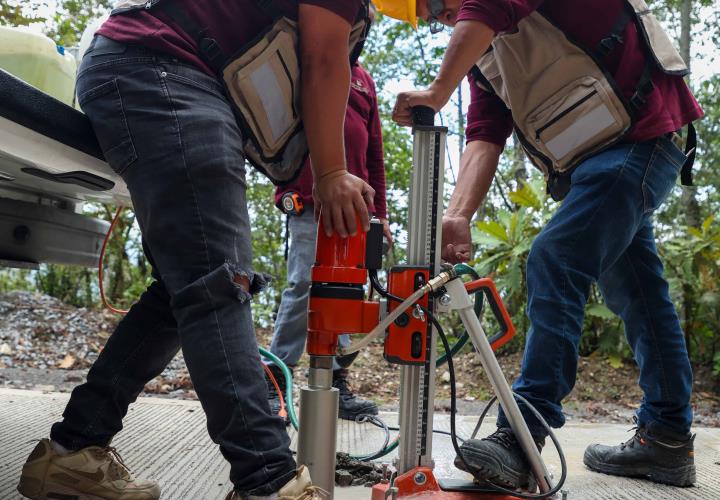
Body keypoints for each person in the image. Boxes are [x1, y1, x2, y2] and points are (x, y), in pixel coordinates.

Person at [17, 1, 374, 499]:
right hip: (159, 67)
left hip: (158, 69)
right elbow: (322, 59)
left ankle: (73, 453)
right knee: (217, 282)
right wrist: (332, 173)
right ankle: (269, 483)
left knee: (186, 284)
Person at [379, 0, 702, 490]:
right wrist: (458, 213)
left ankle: (521, 438)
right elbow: (486, 131)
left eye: (434, 4)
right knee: (639, 294)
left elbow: (485, 5)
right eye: (426, 16)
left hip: (640, 135)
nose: (437, 17)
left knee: (556, 257)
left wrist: (435, 90)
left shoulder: (490, 10)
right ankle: (667, 439)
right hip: (593, 164)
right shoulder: (485, 56)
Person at [266, 60, 392, 421]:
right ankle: (276, 380)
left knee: (347, 291)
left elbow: (374, 153)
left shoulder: (364, 79)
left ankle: (336, 382)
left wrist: (379, 214)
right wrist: (287, 189)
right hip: (310, 201)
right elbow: (277, 133)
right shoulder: (302, 57)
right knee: (304, 283)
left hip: (357, 204)